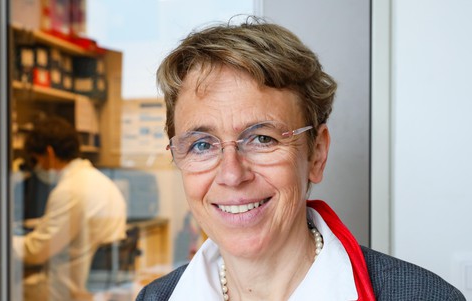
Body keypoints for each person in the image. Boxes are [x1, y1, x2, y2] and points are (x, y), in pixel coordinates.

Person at [136, 16, 465, 301]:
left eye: (263, 138)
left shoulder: (422, 295)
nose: (232, 174)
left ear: (317, 153)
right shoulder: (155, 297)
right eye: (202, 145)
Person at [13, 116, 127, 301]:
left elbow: (36, 251)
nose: (37, 167)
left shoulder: (70, 190)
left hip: (69, 292)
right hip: (100, 289)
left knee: (8, 288)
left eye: (37, 160)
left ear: (49, 153)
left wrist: (1, 241)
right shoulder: (101, 182)